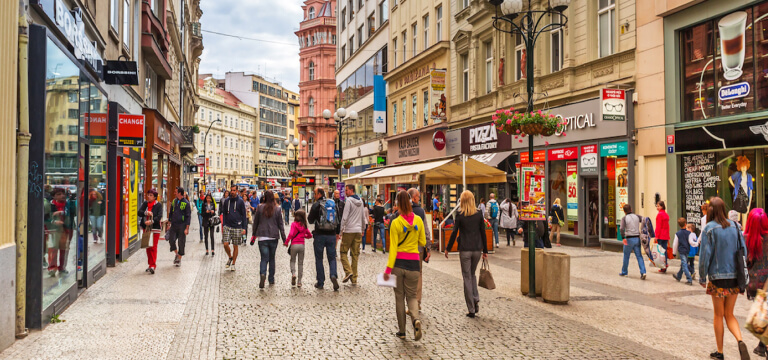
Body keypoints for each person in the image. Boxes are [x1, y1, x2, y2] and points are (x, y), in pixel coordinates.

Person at [698, 197, 750, 360]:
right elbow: (744, 252)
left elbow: (704, 256)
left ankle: (720, 352)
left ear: (711, 211)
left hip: (717, 278)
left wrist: (702, 276)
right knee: (730, 314)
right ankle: (740, 340)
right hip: (735, 278)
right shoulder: (735, 226)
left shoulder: (709, 229)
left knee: (718, 315)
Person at [383, 191, 426, 341]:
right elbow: (423, 242)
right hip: (414, 264)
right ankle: (415, 319)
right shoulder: (419, 220)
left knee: (399, 297)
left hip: (398, 265)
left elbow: (393, 248)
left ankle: (402, 331)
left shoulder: (395, 223)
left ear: (397, 204)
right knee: (412, 296)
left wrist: (388, 269)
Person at [445, 190, 488, 318]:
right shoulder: (479, 214)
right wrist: (485, 250)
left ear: (462, 201)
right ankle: (475, 298)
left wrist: (447, 248)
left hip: (465, 250)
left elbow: (454, 232)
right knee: (472, 274)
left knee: (467, 277)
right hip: (476, 249)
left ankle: (471, 308)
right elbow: (483, 232)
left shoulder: (460, 215)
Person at [745, 208, 768, 356]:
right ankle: (762, 345)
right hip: (766, 283)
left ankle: (761, 345)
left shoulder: (746, 239)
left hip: (754, 284)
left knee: (764, 312)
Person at [307, 187, 340, 290]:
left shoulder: (316, 205)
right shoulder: (332, 204)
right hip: (331, 235)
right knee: (331, 258)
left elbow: (310, 220)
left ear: (319, 194)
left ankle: (320, 282)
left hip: (319, 235)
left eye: (315, 193)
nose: (314, 195)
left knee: (319, 259)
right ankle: (333, 275)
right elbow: (338, 219)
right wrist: (337, 233)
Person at [252, 190, 286, 288]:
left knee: (264, 258)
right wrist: (284, 239)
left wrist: (254, 235)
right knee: (272, 259)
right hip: (273, 237)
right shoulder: (278, 209)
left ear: (264, 197)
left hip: (262, 237)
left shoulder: (260, 207)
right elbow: (281, 225)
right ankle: (271, 279)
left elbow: (256, 222)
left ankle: (263, 274)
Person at [407, 188, 432, 311]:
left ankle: (410, 303)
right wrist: (428, 247)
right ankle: (416, 303)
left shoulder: (403, 211)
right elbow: (426, 231)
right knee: (418, 275)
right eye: (418, 197)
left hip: (406, 249)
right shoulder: (421, 212)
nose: (419, 199)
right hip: (418, 248)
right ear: (414, 198)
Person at [339, 185, 368, 285]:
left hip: (349, 230)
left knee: (343, 252)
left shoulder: (349, 201)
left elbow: (344, 217)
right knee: (355, 255)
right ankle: (354, 278)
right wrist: (363, 229)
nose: (345, 192)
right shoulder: (360, 200)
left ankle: (348, 271)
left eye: (346, 190)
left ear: (351, 190)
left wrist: (341, 230)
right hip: (358, 230)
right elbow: (363, 217)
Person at [221, 186, 248, 271]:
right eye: (231, 190)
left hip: (237, 226)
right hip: (227, 226)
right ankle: (230, 257)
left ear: (236, 191)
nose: (232, 192)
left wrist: (244, 227)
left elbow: (244, 215)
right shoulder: (226, 201)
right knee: (225, 244)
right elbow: (224, 213)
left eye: (233, 190)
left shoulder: (240, 202)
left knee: (235, 246)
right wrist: (223, 224)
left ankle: (233, 263)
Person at [285, 209, 312, 288]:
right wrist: (304, 236)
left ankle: (293, 274)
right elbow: (310, 235)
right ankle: (299, 282)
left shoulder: (293, 224)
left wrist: (286, 242)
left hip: (294, 245)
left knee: (292, 260)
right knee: (300, 263)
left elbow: (291, 234)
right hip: (301, 245)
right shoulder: (304, 225)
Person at [618, 204, 646, 279]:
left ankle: (624, 272)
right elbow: (644, 220)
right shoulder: (637, 216)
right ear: (631, 209)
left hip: (629, 239)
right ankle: (643, 272)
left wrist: (623, 237)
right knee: (639, 256)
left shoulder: (624, 218)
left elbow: (621, 228)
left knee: (626, 256)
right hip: (637, 238)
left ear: (624, 211)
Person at [138, 189, 162, 274]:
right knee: (148, 246)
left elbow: (159, 216)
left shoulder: (158, 205)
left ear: (155, 197)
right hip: (146, 228)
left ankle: (153, 265)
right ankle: (150, 264)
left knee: (153, 247)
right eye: (148, 195)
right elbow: (139, 212)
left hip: (155, 228)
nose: (149, 196)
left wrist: (151, 221)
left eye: (151, 195)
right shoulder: (145, 204)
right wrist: (145, 213)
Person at [166, 187, 191, 267]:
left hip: (182, 225)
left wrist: (187, 228)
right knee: (171, 240)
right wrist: (168, 223)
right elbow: (171, 212)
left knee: (181, 242)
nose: (174, 193)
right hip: (174, 224)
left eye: (176, 192)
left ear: (180, 193)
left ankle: (179, 259)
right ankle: (177, 254)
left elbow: (188, 216)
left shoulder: (186, 203)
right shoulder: (174, 201)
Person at [672, 218, 698, 285]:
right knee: (684, 263)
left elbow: (675, 244)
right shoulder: (689, 233)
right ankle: (679, 276)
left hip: (681, 251)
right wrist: (697, 243)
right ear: (685, 224)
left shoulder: (677, 234)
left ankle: (689, 279)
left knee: (684, 264)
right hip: (687, 250)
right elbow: (691, 242)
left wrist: (674, 253)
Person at [655, 200, 671, 273]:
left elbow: (658, 226)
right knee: (664, 251)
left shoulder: (659, 215)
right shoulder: (666, 214)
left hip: (661, 235)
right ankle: (665, 264)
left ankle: (662, 266)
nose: (657, 207)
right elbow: (667, 227)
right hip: (665, 235)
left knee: (660, 251)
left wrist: (656, 236)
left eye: (658, 206)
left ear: (661, 206)